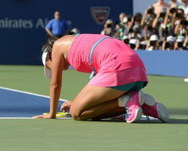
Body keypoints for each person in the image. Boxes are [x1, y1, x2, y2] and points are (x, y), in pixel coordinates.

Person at [34, 34, 169, 123]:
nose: (52, 69)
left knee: (77, 113)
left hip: (118, 69)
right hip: (138, 72)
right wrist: (76, 101)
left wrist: (52, 114)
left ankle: (125, 101)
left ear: (49, 57)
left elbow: (55, 84)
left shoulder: (58, 45)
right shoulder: (82, 42)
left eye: (48, 66)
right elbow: (98, 90)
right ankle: (142, 105)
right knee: (90, 109)